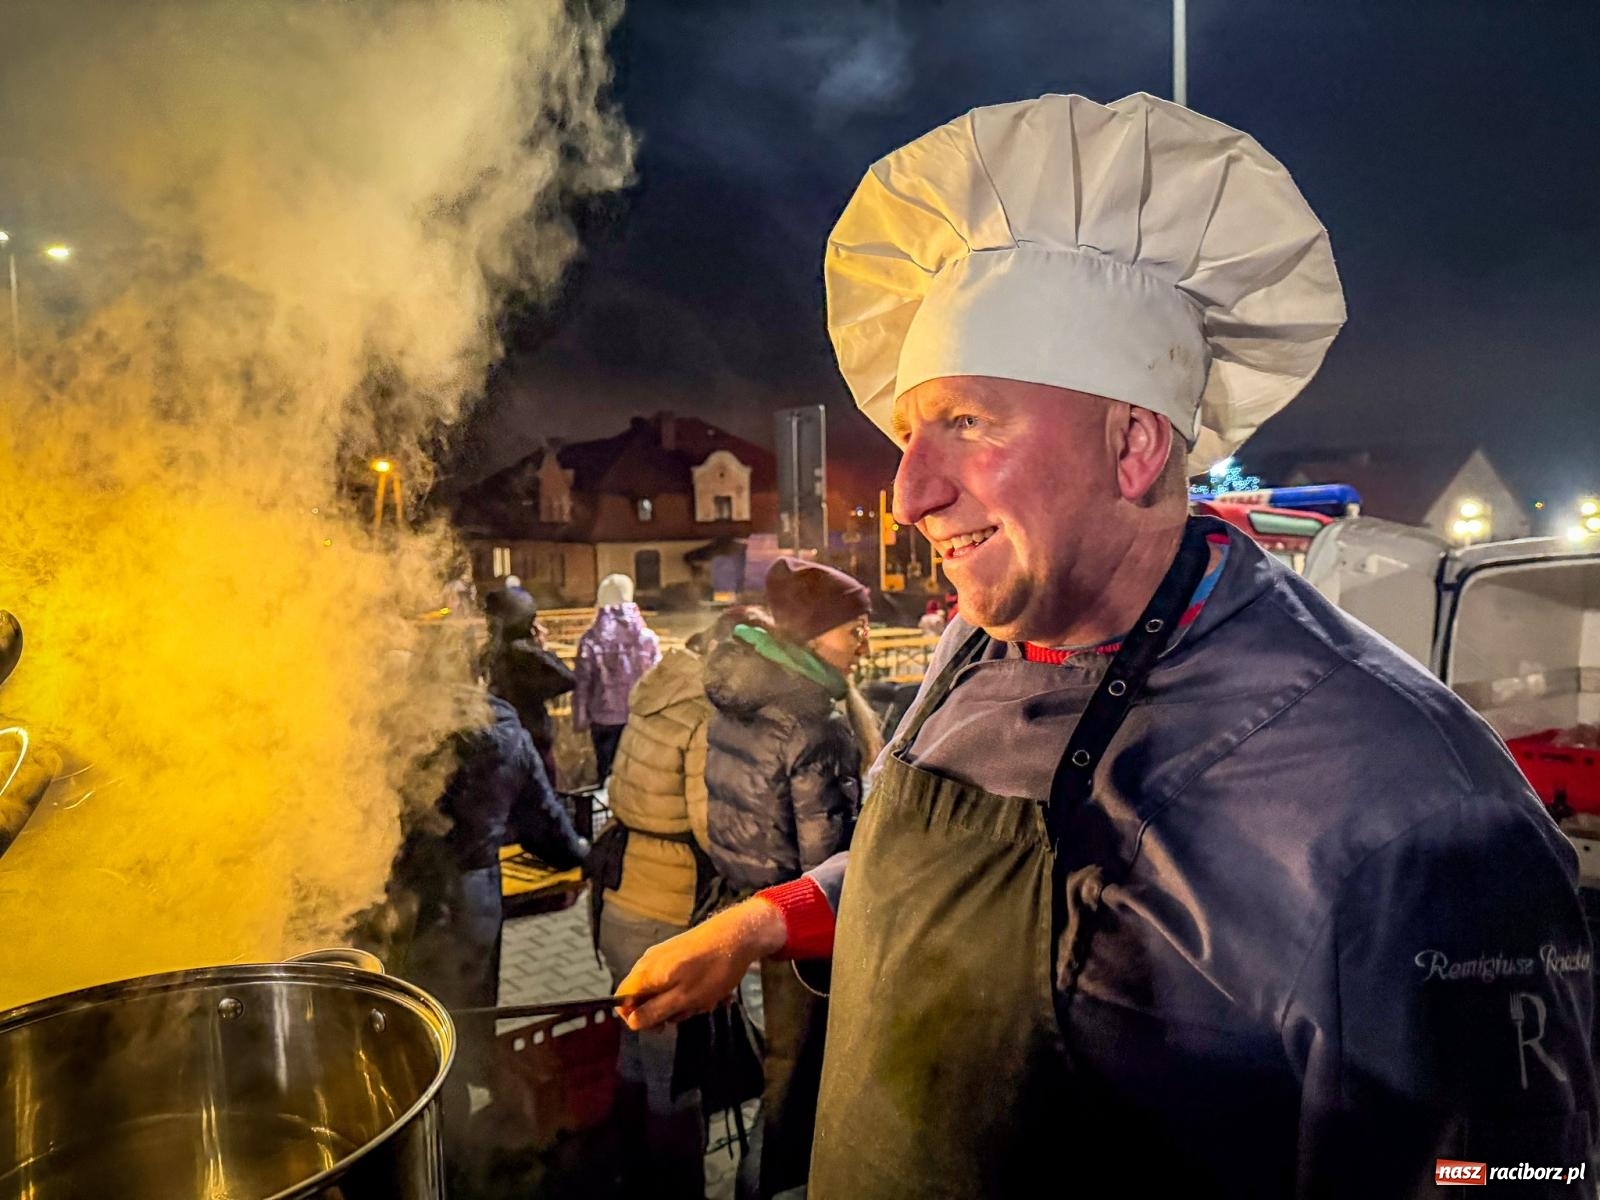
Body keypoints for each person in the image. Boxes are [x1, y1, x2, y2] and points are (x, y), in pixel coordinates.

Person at [618, 92, 1598, 1198]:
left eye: (968, 423)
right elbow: (923, 857)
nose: (907, 494)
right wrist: (759, 925)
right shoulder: (987, 641)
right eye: (908, 432)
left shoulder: (1415, 816)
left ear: (1132, 446)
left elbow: (1515, 1172)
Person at [701, 557, 878, 1198]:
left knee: (781, 1067)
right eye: (853, 629)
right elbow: (828, 858)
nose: (865, 643)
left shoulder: (747, 693)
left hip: (751, 899)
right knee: (800, 1079)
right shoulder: (814, 723)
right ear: (812, 636)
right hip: (799, 935)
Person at [587, 606, 765, 1199]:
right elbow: (710, 825)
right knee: (675, 1071)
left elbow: (620, 789)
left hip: (621, 899)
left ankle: (625, 1169)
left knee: (636, 1045)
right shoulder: (703, 716)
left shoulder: (657, 694)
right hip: (664, 909)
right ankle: (673, 1188)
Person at [399, 689, 589, 1180]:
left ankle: (433, 1156)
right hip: (472, 902)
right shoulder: (506, 733)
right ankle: (456, 1157)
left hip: (402, 902)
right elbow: (543, 823)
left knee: (412, 1035)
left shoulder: (401, 726)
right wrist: (582, 856)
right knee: (463, 1027)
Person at [482, 583, 574, 787]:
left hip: (503, 739)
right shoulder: (524, 654)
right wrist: (543, 649)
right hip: (531, 739)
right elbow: (567, 679)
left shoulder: (492, 651)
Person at [574, 573, 660, 786]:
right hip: (641, 718)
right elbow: (659, 680)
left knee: (607, 776)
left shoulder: (591, 639)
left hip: (603, 719)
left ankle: (609, 815)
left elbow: (582, 683)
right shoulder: (647, 638)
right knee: (639, 776)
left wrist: (580, 718)